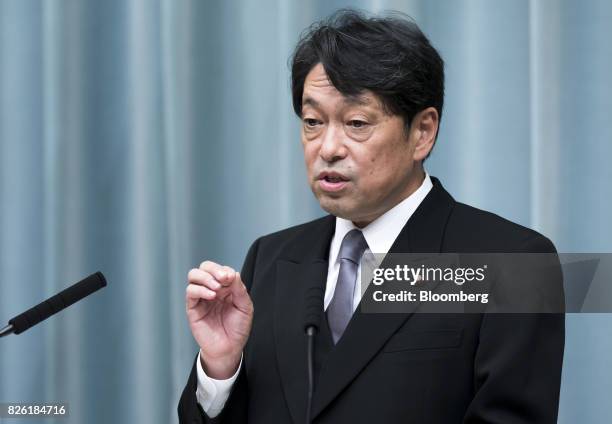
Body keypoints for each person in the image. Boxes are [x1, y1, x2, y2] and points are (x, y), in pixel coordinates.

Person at [178, 9, 564, 423]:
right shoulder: (270, 259)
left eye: (356, 123)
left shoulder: (516, 264)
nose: (327, 148)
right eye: (312, 122)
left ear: (422, 132)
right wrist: (220, 368)